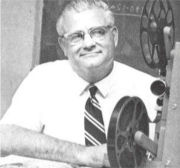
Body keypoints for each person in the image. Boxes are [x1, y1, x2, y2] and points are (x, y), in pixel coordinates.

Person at [0, 0, 157, 167]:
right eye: (76, 36)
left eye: (98, 32)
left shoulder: (151, 89)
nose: (89, 43)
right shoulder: (42, 78)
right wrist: (85, 155)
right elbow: (5, 137)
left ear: (115, 36)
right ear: (64, 46)